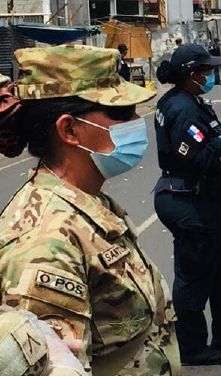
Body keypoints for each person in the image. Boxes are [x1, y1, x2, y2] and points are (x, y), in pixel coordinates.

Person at [0, 46, 181, 373]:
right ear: (68, 130)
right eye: (121, 113)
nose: (137, 122)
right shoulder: (45, 246)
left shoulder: (89, 201)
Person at [153, 44, 221, 364]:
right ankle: (191, 346)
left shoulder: (192, 101)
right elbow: (195, 159)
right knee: (194, 273)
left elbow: (209, 155)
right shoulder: (182, 108)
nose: (213, 75)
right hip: (185, 199)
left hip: (202, 197)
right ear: (192, 75)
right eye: (207, 71)